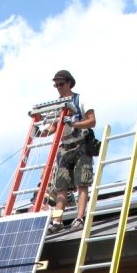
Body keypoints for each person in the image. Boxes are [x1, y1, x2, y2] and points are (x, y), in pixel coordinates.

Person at [46, 69, 96, 234]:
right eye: (56, 85)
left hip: (81, 145)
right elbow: (53, 127)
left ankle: (79, 217)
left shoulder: (81, 99)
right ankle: (57, 220)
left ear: (69, 83)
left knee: (82, 182)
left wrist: (73, 123)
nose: (58, 87)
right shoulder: (58, 105)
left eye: (61, 84)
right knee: (61, 185)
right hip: (65, 147)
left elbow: (92, 121)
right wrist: (40, 132)